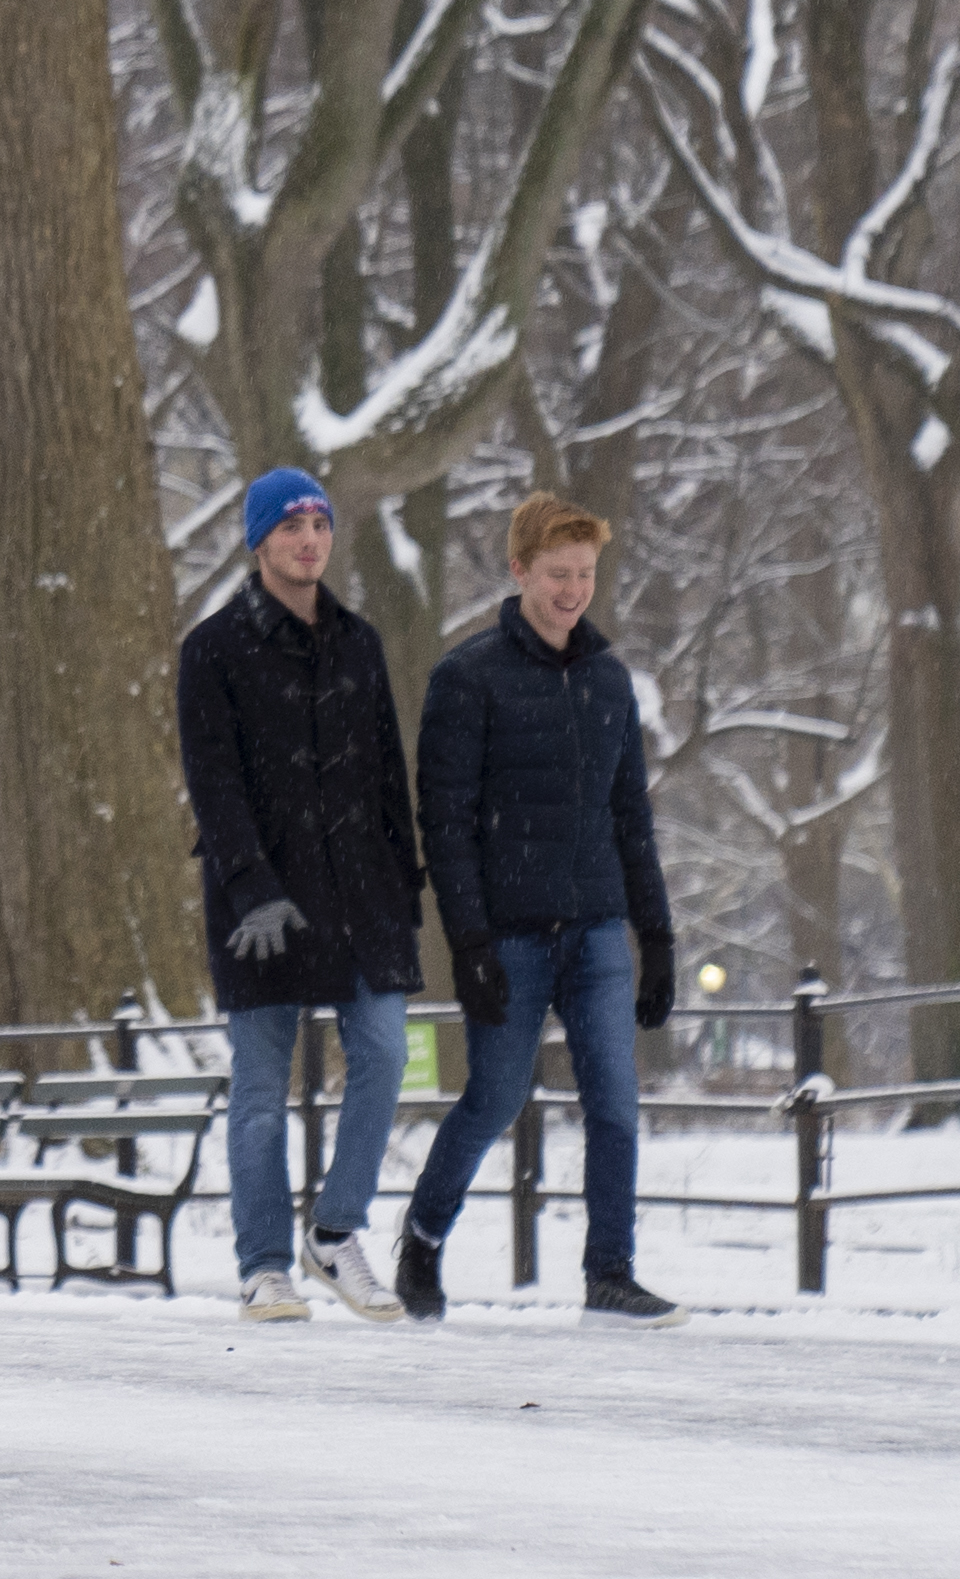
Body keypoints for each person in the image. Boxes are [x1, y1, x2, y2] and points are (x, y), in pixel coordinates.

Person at [395, 494, 689, 1328]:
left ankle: (609, 1271)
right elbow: (444, 823)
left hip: (595, 930)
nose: (571, 590)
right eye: (556, 574)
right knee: (492, 1099)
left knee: (614, 1102)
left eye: (585, 574)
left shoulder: (607, 682)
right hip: (510, 936)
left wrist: (656, 935)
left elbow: (630, 814)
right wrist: (469, 944)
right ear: (519, 570)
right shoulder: (467, 678)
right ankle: (421, 1236)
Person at [175, 468, 424, 1322]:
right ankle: (263, 1266)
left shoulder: (358, 641)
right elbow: (214, 782)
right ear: (258, 542)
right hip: (260, 903)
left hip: (362, 894)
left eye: (318, 522)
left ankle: (335, 1231)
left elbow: (389, 772)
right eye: (289, 525)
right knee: (259, 1086)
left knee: (385, 1053)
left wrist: (405, 881)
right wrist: (251, 887)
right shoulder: (212, 650)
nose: (308, 538)